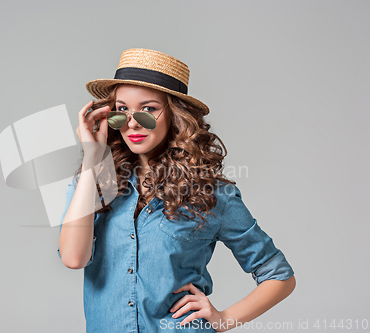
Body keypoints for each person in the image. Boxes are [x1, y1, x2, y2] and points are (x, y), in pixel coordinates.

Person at [57, 48, 295, 333]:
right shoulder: (92, 184)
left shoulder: (212, 195)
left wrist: (223, 319)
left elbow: (279, 275)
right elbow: (73, 258)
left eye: (148, 110)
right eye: (121, 111)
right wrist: (92, 158)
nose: (132, 122)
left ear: (175, 115)